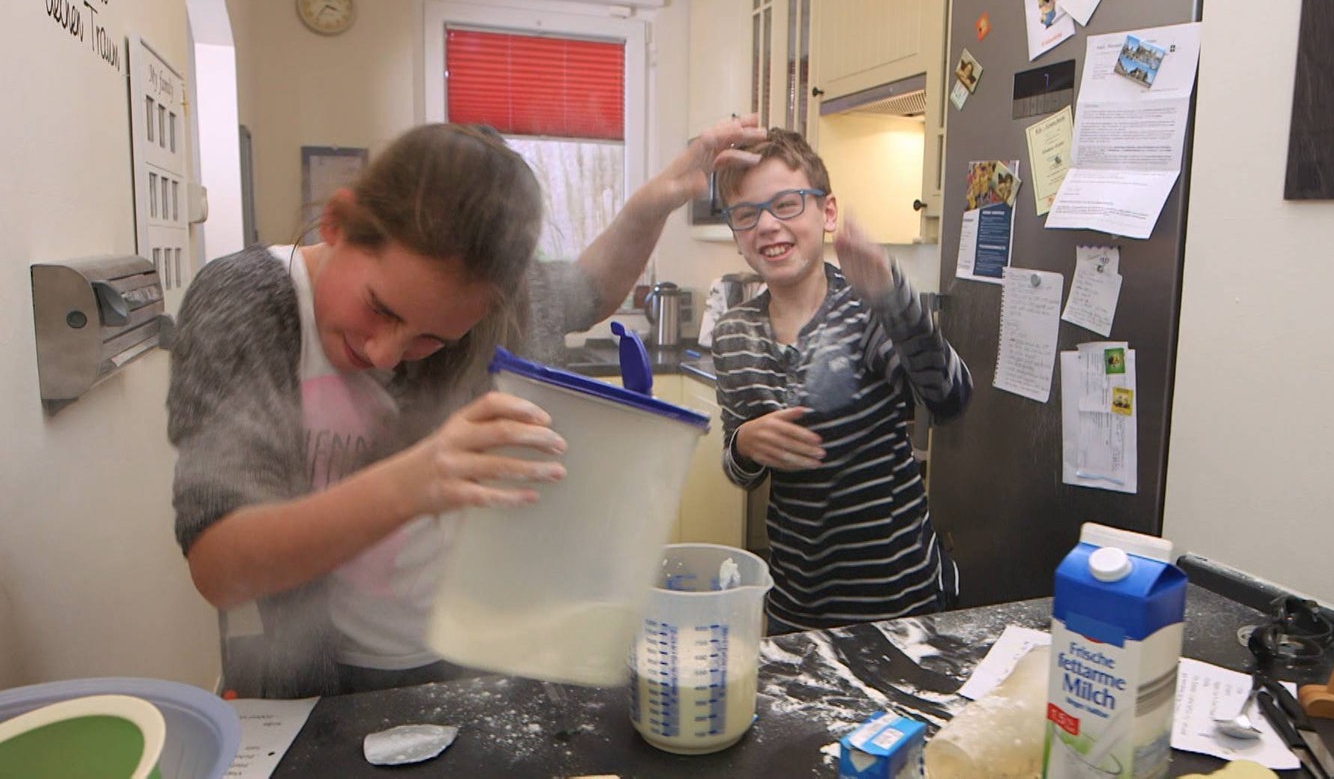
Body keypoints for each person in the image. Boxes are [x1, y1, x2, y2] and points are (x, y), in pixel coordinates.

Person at [167, 115, 764, 699]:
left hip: (472, 659)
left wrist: (652, 204)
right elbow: (219, 566)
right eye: (381, 308)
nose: (385, 354)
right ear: (339, 222)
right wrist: (414, 481)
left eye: (433, 339)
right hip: (324, 683)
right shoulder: (249, 301)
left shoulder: (486, 307)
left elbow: (587, 291)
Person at [710, 128, 974, 634]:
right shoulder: (732, 335)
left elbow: (950, 397)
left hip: (900, 600)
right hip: (794, 605)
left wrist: (893, 296)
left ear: (826, 213)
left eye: (786, 204)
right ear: (736, 234)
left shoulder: (867, 310)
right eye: (746, 214)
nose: (767, 225)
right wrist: (745, 444)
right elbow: (740, 469)